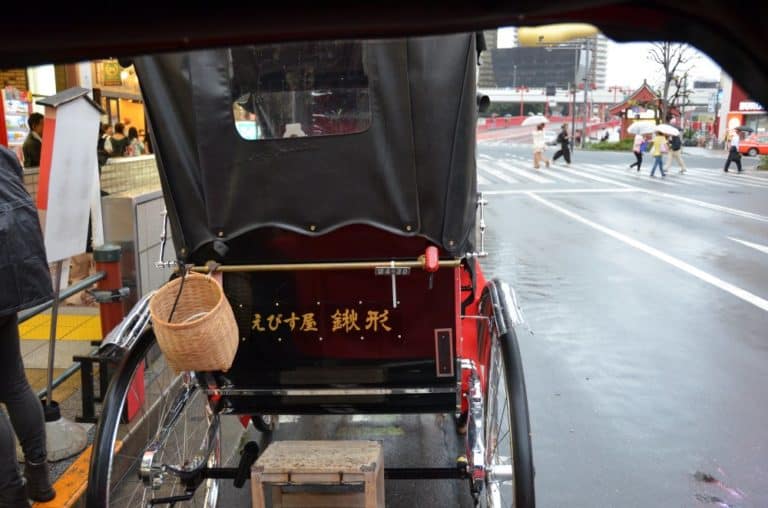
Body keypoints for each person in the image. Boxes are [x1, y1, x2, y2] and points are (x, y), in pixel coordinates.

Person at [0, 146, 56, 506]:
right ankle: (39, 478)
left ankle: (10, 493)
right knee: (14, 383)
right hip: (8, 279)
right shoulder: (5, 156)